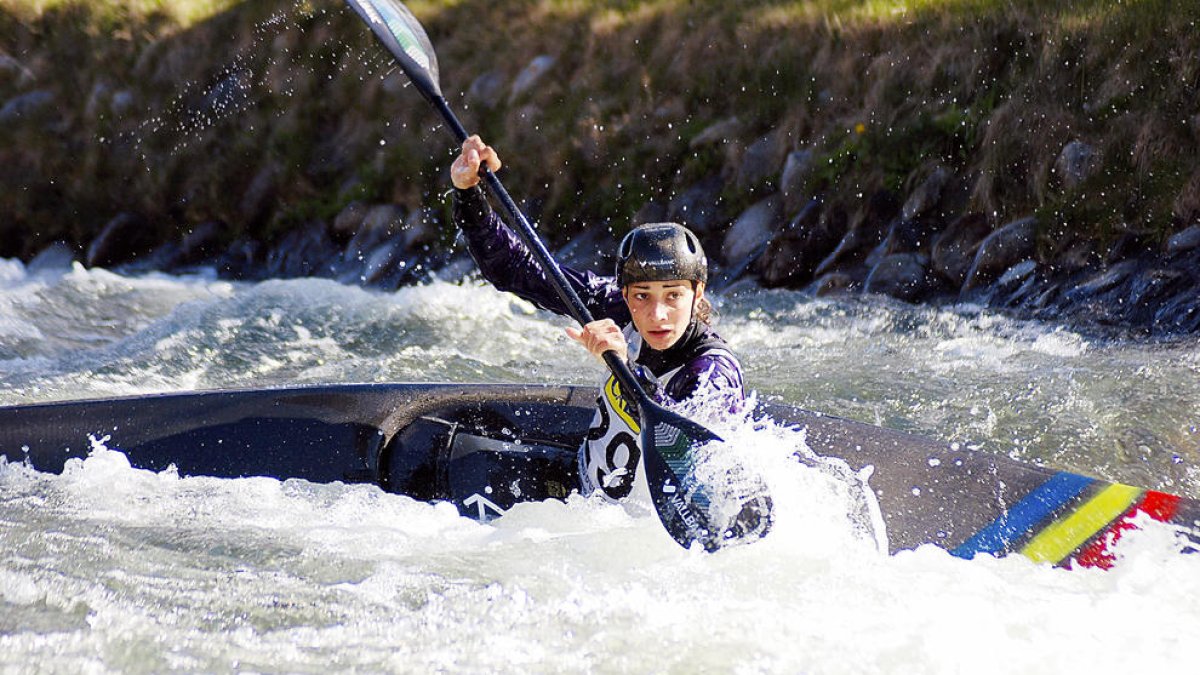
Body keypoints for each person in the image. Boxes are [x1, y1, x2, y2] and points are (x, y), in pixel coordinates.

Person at [450, 136, 745, 503]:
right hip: (582, 497)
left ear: (697, 293)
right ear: (624, 293)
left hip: (635, 529)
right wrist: (469, 196)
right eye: (642, 296)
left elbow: (687, 451)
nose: (656, 314)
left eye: (673, 295)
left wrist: (626, 369)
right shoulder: (617, 309)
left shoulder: (713, 372)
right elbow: (516, 269)